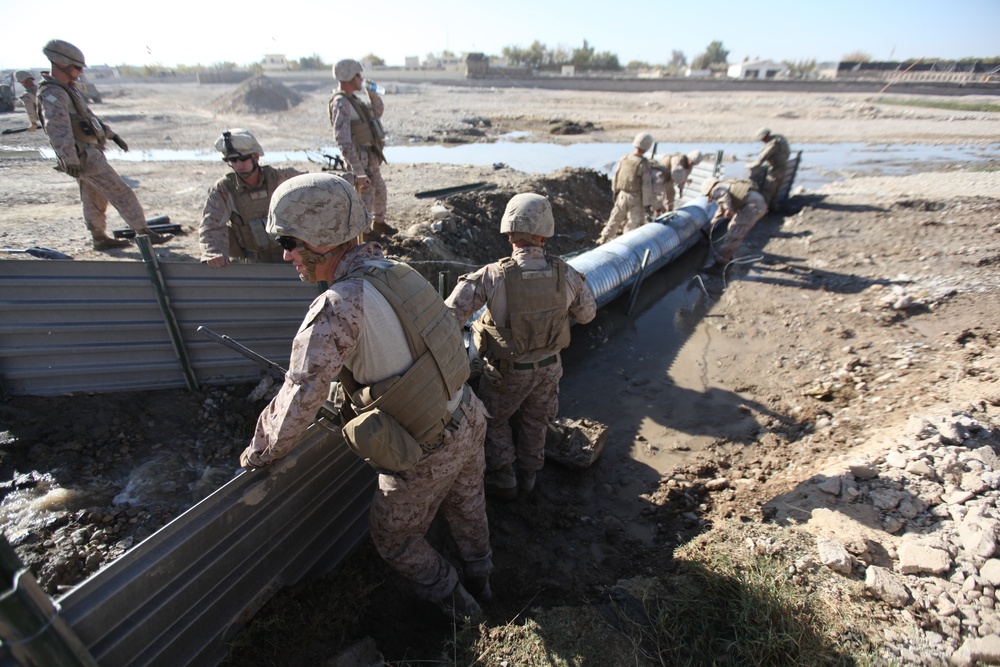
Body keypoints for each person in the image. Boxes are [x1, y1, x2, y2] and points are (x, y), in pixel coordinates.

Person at [239, 173, 491, 618]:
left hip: (427, 453)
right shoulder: (400, 272)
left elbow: (300, 397)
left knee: (392, 540)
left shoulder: (336, 307)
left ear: (320, 240)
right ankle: (484, 578)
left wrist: (258, 453)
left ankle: (465, 610)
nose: (287, 254)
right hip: (470, 418)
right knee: (469, 507)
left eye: (291, 241)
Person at [445, 193, 597, 498]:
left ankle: (504, 476)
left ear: (509, 233)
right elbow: (587, 315)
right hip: (550, 368)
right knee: (536, 421)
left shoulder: (492, 274)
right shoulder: (566, 274)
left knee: (496, 420)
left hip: (507, 372)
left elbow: (448, 316)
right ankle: (529, 475)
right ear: (544, 235)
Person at [36, 39, 171, 251]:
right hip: (83, 155)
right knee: (120, 191)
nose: (80, 72)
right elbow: (57, 129)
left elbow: (87, 118)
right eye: (77, 68)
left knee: (93, 197)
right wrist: (69, 159)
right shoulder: (54, 93)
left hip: (88, 151)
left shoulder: (69, 89)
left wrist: (111, 134)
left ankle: (99, 238)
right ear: (61, 63)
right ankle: (144, 233)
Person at [199, 129, 304, 268]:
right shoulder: (225, 189)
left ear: (256, 157)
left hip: (294, 259)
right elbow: (211, 224)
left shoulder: (281, 177)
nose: (239, 164)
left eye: (243, 158)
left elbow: (318, 187)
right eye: (233, 160)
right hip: (255, 263)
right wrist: (213, 252)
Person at [329, 59, 394, 237]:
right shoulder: (341, 103)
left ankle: (378, 224)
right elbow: (343, 138)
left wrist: (371, 92)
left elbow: (377, 111)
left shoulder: (353, 101)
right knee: (364, 197)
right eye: (358, 75)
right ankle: (363, 234)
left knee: (379, 190)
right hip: (358, 157)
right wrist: (357, 170)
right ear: (349, 76)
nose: (361, 79)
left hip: (370, 154)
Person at [598, 132, 658, 243]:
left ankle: (604, 238)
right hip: (635, 197)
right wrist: (647, 204)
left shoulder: (624, 158)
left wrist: (615, 191)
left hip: (622, 194)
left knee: (615, 217)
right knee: (633, 222)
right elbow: (646, 186)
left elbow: (616, 176)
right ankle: (626, 244)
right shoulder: (643, 164)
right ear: (647, 147)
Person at [699, 176, 768, 273]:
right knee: (732, 228)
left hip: (751, 207)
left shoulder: (717, 190)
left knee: (734, 234)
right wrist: (712, 224)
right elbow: (720, 210)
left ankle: (719, 265)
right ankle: (728, 257)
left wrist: (728, 208)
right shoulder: (726, 184)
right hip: (757, 204)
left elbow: (723, 197)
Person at [747, 127, 790, 208]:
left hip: (775, 170)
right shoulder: (779, 139)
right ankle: (773, 208)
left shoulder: (772, 145)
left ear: (765, 137)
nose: (762, 141)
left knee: (768, 190)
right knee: (775, 190)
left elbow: (761, 160)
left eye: (762, 139)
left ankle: (765, 210)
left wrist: (749, 166)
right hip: (783, 168)